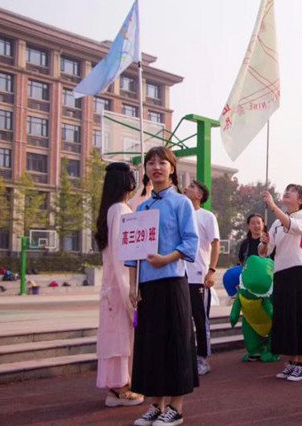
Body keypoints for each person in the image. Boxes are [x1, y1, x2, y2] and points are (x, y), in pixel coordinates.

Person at [127, 147, 200, 426]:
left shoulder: (181, 203)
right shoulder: (142, 207)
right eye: (150, 163)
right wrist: (133, 286)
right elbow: (132, 252)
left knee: (175, 343)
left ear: (172, 168)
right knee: (150, 345)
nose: (156, 167)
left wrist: (165, 259)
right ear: (145, 169)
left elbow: (189, 242)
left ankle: (176, 407)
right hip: (147, 286)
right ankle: (155, 404)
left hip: (171, 281)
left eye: (162, 162)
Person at [94, 162, 144, 408]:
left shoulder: (111, 209)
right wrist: (130, 290)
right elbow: (121, 256)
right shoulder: (120, 211)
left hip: (110, 289)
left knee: (115, 337)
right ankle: (121, 388)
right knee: (121, 339)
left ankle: (116, 388)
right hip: (119, 287)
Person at [259, 184, 302, 382]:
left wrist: (273, 206)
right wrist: (264, 242)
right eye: (286, 189)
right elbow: (265, 251)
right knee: (285, 318)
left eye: (292, 191)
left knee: (299, 317)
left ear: (300, 200)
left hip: (298, 272)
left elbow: (292, 226)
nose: (287, 192)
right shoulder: (275, 223)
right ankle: (291, 361)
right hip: (280, 273)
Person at [183, 180, 220, 376]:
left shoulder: (207, 217)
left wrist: (212, 270)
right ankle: (186, 357)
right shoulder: (181, 213)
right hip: (180, 275)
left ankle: (202, 359)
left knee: (200, 318)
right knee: (183, 319)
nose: (187, 188)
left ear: (199, 196)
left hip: (199, 275)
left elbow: (215, 244)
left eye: (192, 187)